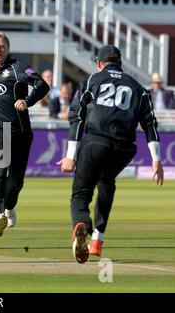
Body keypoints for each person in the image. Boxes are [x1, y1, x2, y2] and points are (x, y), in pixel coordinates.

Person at [57, 45, 164, 264]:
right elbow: (150, 123)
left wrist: (70, 155)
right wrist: (156, 160)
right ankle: (98, 238)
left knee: (81, 194)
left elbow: (76, 117)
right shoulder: (138, 87)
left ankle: (82, 224)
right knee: (107, 181)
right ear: (121, 64)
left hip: (96, 142)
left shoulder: (90, 81)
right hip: (125, 148)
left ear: (98, 63)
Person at [0, 32, 49, 237]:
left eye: (1, 47)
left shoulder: (18, 67)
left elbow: (43, 85)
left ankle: (8, 207)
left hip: (21, 131)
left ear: (7, 49)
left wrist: (28, 101)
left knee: (17, 180)